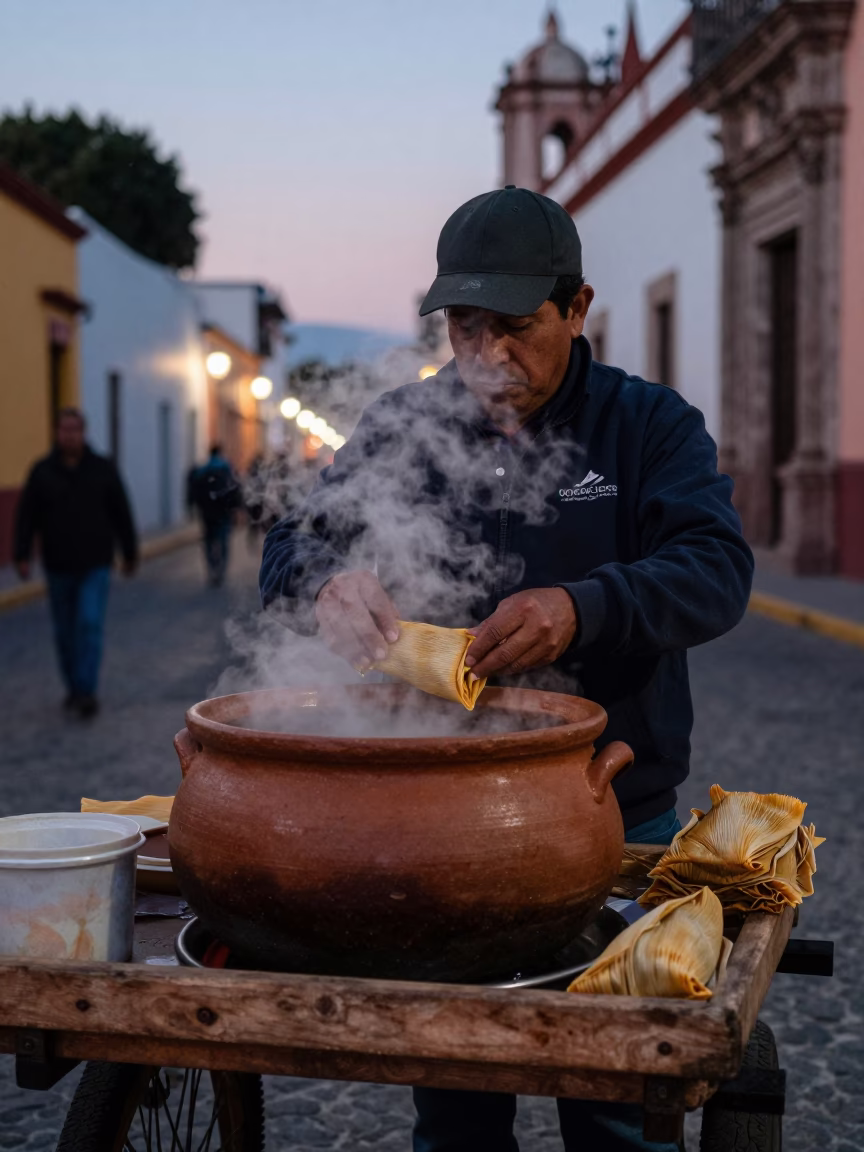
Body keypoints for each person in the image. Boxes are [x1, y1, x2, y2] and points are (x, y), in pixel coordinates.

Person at [259, 186, 754, 1152]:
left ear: (578, 308)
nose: (488, 356)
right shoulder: (407, 424)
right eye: (465, 326)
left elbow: (717, 569)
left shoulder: (648, 427)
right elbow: (292, 542)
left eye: (518, 327)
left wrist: (583, 608)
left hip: (610, 805)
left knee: (614, 1091)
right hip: (436, 818)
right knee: (453, 1089)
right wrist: (327, 583)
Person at [14, 407, 138, 718]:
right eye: (64, 429)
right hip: (57, 564)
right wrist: (21, 554)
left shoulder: (102, 468)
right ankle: (73, 686)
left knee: (89, 623)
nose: (70, 435)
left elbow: (121, 510)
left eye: (75, 429)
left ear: (84, 432)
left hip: (95, 562)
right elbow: (26, 516)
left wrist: (130, 551)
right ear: (57, 433)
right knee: (64, 631)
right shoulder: (41, 471)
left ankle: (86, 690)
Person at [188, 444, 240, 587]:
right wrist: (236, 509)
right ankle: (221, 569)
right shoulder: (227, 469)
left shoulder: (202, 470)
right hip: (223, 512)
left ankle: (212, 568)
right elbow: (234, 490)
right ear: (220, 453)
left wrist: (193, 508)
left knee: (209, 541)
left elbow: (194, 491)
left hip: (207, 513)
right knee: (223, 541)